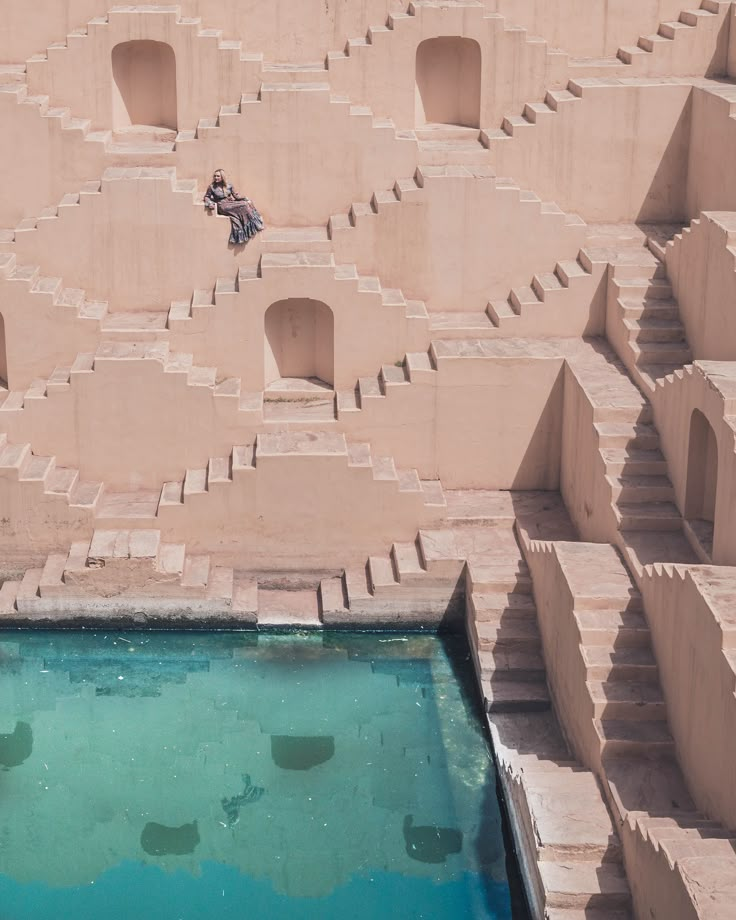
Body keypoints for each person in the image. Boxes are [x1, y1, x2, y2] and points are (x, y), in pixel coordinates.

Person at [204, 169, 264, 245]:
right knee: (244, 205)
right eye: (215, 176)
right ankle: (256, 225)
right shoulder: (212, 187)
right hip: (223, 206)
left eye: (218, 176)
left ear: (222, 177)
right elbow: (207, 197)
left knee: (246, 203)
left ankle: (253, 225)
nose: (216, 177)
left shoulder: (229, 185)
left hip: (231, 202)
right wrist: (210, 203)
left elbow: (236, 196)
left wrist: (244, 198)